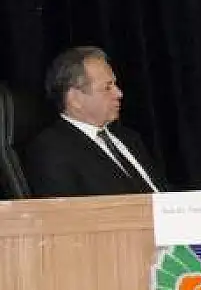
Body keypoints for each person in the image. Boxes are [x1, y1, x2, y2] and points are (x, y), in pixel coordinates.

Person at [23, 46, 167, 197]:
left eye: (115, 85)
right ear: (75, 99)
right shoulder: (52, 149)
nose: (119, 93)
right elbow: (68, 210)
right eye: (107, 87)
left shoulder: (129, 137)